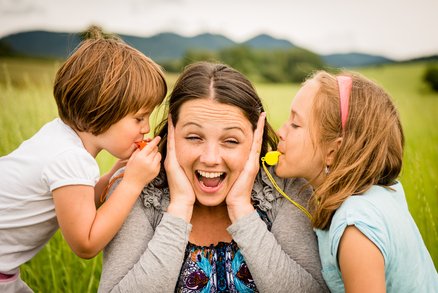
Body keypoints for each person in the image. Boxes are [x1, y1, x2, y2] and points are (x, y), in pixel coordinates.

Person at [98, 61, 329, 292]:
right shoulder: (136, 188)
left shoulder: (285, 188)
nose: (210, 158)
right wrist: (179, 208)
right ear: (172, 133)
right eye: (193, 137)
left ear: (255, 140)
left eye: (231, 141)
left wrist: (242, 210)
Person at [0, 27, 167, 292]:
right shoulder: (70, 158)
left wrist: (117, 173)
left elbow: (80, 202)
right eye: (139, 118)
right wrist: (132, 183)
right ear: (102, 109)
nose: (146, 128)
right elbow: (86, 244)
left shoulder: (59, 138)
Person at [274, 70, 438, 292]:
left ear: (333, 150)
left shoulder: (355, 225)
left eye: (295, 124)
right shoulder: (379, 196)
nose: (280, 132)